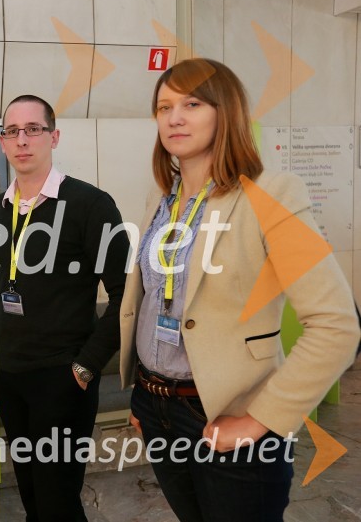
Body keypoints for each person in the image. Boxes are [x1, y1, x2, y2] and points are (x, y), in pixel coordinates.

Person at [119, 58, 360, 521]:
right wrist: (145, 396)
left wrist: (260, 421)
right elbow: (153, 300)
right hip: (158, 409)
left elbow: (336, 325)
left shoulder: (272, 193)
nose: (174, 117)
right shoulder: (161, 198)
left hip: (227, 414)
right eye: (164, 106)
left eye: (191, 103)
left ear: (224, 111)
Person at [0, 95, 130, 521]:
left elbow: (127, 295)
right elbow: (7, 292)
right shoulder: (0, 207)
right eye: (12, 131)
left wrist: (86, 367)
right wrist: (2, 371)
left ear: (54, 136)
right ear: (2, 142)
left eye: (33, 129)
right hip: (14, 379)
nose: (22, 140)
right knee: (31, 496)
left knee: (57, 502)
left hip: (63, 380)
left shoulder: (90, 204)